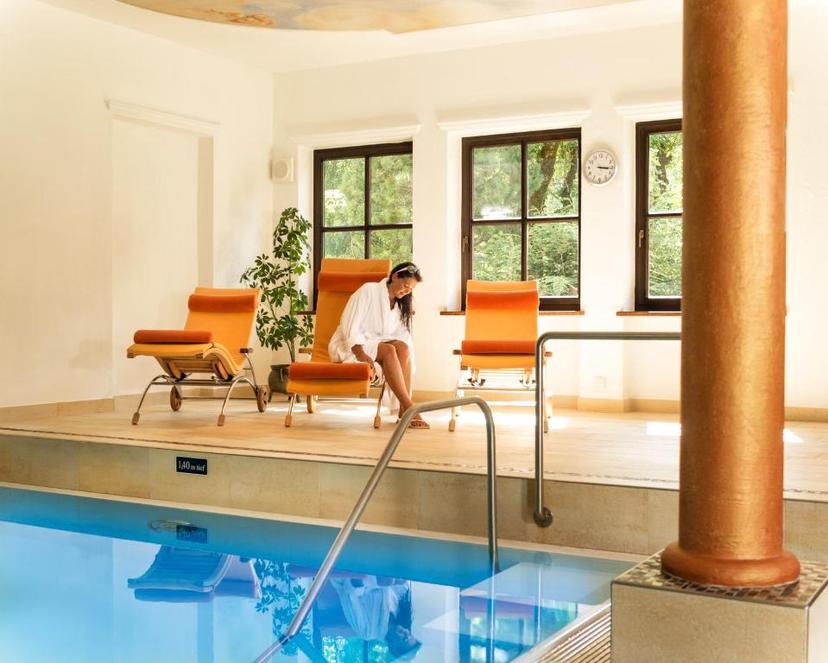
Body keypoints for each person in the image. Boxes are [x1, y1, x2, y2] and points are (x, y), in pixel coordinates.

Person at [328, 262, 428, 429]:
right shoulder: (368, 290)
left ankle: (403, 409)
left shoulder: (399, 304)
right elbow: (348, 325)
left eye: (410, 289)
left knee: (403, 348)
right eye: (405, 286)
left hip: (376, 344)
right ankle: (409, 407)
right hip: (350, 345)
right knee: (388, 350)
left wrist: (405, 355)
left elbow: (401, 337)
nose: (407, 291)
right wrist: (360, 353)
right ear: (395, 277)